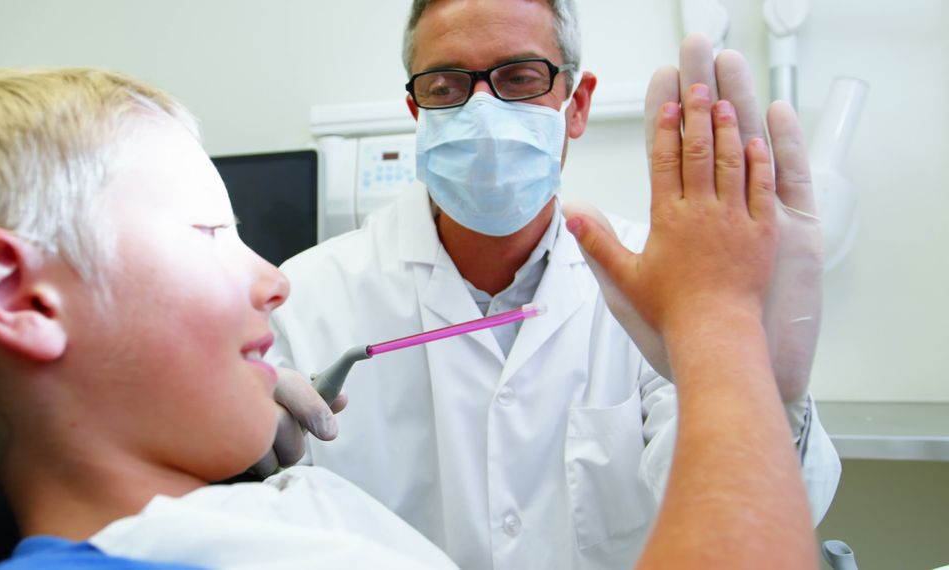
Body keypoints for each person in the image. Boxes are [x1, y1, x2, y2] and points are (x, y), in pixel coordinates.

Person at [0, 66, 817, 568]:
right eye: (210, 230)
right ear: (22, 298)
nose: (274, 284)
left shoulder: (263, 517)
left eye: (520, 78)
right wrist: (721, 326)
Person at [263, 1, 840, 568]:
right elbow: (253, 532)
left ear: (576, 103)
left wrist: (759, 391)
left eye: (519, 77)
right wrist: (232, 455)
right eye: (446, 85)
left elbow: (749, 528)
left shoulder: (669, 286)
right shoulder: (305, 299)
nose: (482, 111)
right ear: (418, 111)